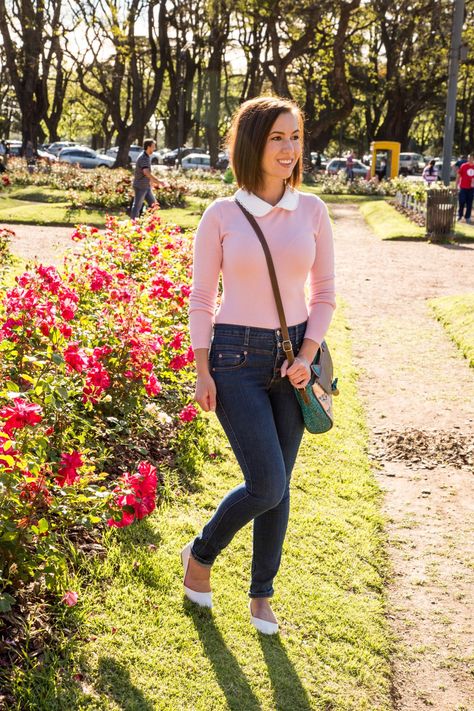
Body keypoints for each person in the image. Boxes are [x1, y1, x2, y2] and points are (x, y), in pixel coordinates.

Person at [183, 96, 336, 635]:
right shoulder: (221, 215)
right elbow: (201, 298)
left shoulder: (313, 211)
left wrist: (308, 355)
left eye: (295, 137)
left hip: (294, 355)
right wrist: (202, 368)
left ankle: (261, 595)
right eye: (277, 137)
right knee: (266, 483)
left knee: (281, 485)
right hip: (234, 357)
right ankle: (201, 555)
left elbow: (325, 294)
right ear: (252, 143)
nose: (290, 148)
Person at [130, 139, 161, 219]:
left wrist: (151, 182)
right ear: (148, 147)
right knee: (137, 206)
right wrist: (157, 181)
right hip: (140, 186)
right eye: (153, 146)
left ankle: (151, 223)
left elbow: (146, 173)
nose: (154, 148)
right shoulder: (143, 157)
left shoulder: (146, 156)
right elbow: (146, 172)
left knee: (154, 205)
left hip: (146, 187)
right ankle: (133, 225)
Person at [457, 153, 474, 224]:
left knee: (469, 203)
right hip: (463, 187)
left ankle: (467, 217)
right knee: (461, 201)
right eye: (468, 158)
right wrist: (456, 185)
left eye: (471, 158)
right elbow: (458, 175)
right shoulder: (463, 166)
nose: (469, 159)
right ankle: (460, 215)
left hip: (471, 188)